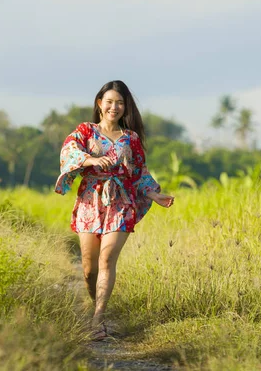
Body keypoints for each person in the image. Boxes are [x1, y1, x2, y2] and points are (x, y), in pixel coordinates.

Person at [54, 80, 174, 341]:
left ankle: (98, 319)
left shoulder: (131, 139)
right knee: (89, 268)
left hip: (121, 202)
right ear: (100, 104)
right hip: (90, 200)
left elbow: (139, 171)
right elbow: (69, 151)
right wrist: (92, 159)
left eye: (119, 103)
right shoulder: (86, 131)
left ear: (125, 107)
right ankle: (95, 304)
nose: (114, 107)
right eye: (109, 102)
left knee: (107, 260)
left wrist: (154, 194)